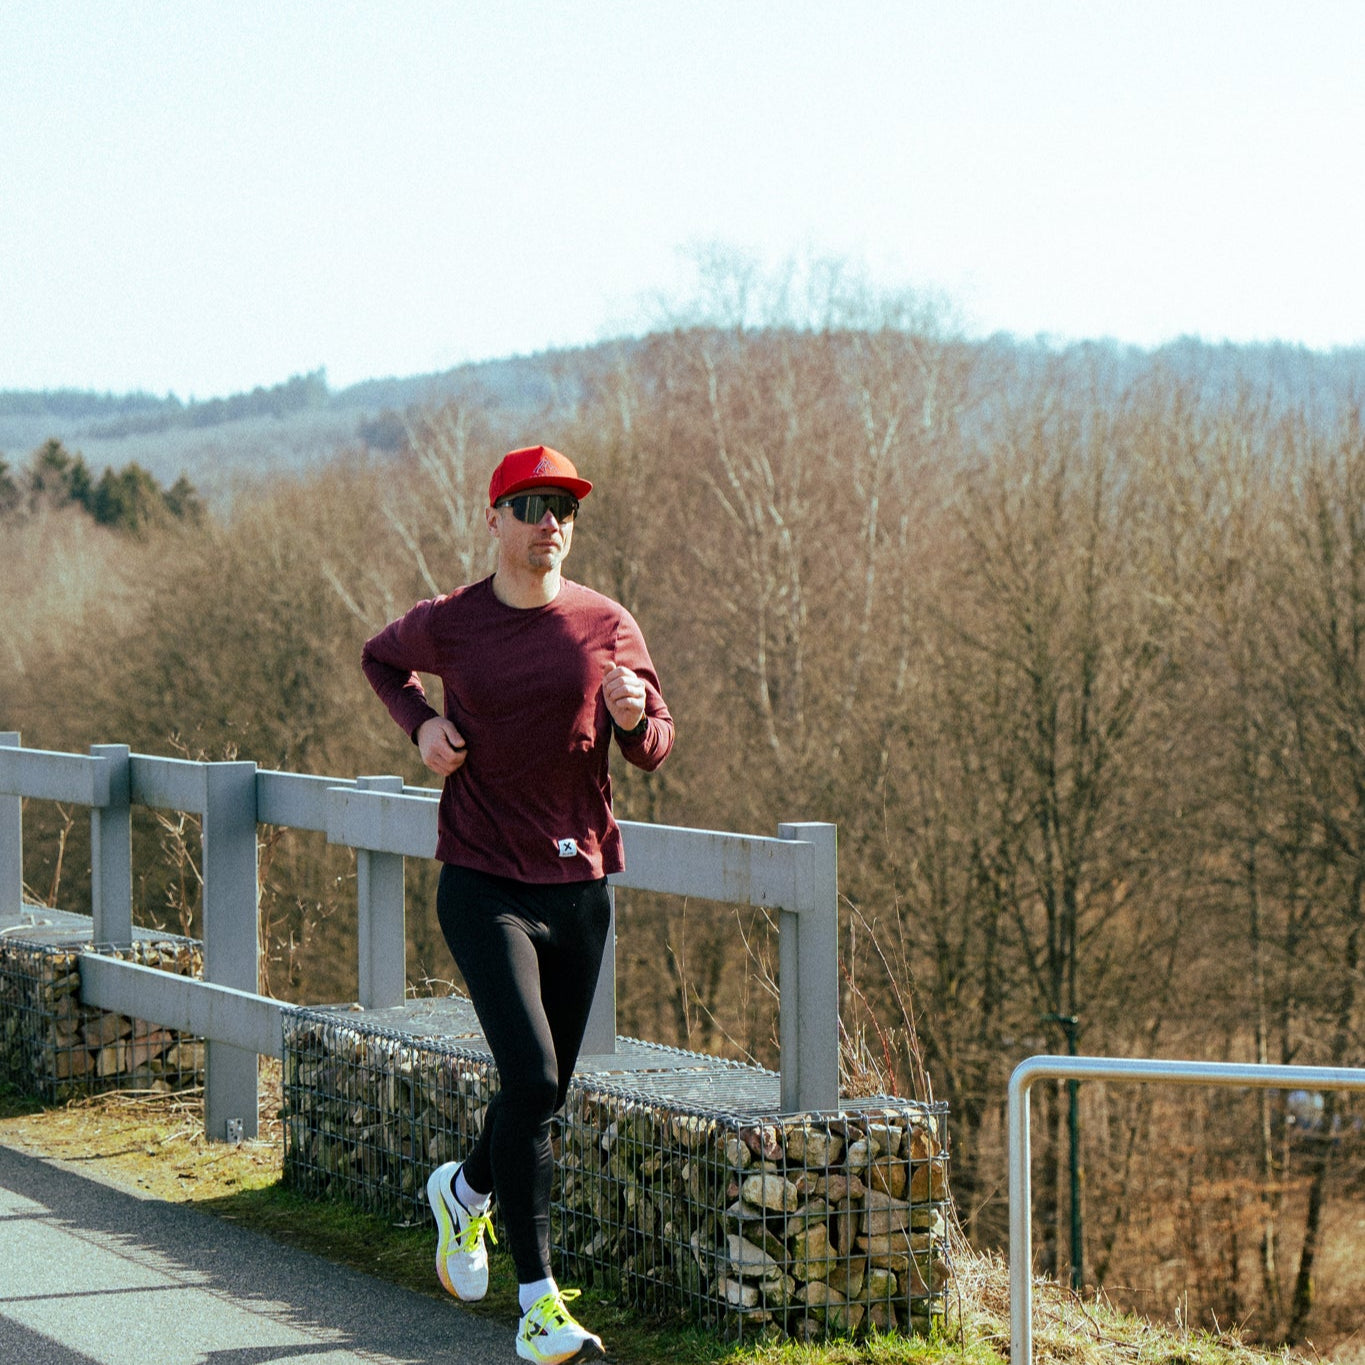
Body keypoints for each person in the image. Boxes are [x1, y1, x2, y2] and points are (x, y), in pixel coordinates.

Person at [361, 444, 673, 1365]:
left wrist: (632, 719)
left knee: (544, 1092)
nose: (550, 524)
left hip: (580, 889)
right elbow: (380, 658)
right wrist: (422, 723)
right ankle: (538, 1306)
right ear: (493, 518)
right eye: (532, 507)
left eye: (564, 509)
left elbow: (656, 743)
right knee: (532, 1079)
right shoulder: (452, 621)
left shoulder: (606, 624)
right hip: (483, 880)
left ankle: (463, 1191)